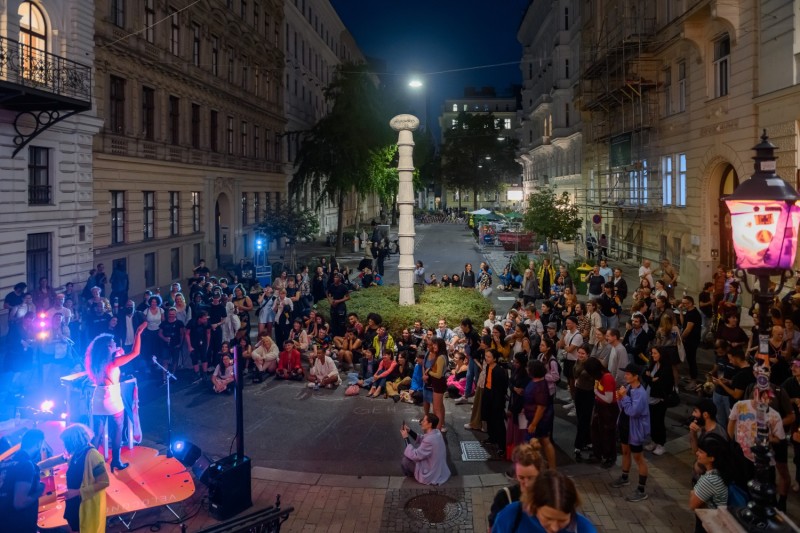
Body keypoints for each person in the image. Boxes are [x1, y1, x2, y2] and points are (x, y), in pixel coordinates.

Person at [85, 321, 146, 472]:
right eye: (113, 343)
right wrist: (138, 334)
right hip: (111, 397)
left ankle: (90, 465)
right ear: (107, 347)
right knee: (118, 429)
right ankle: (116, 460)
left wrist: (117, 352)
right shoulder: (113, 362)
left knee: (97, 434)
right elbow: (135, 353)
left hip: (98, 398)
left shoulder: (95, 362)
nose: (116, 345)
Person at [492, 470, 597, 533]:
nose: (554, 528)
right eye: (548, 518)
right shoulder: (511, 516)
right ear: (533, 505)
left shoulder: (584, 529)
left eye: (562, 520)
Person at [610, 363, 651, 502]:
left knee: (639, 459)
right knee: (625, 452)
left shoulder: (641, 393)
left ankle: (641, 490)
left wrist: (624, 398)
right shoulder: (628, 387)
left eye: (628, 374)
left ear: (636, 376)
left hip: (635, 430)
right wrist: (620, 398)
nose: (625, 376)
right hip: (624, 425)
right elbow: (622, 407)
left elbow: (633, 411)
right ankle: (624, 477)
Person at [60, 423, 109, 533]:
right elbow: (57, 459)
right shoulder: (76, 454)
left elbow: (104, 482)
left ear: (73, 441)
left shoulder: (93, 455)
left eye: (66, 442)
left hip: (85, 503)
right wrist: (37, 466)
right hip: (74, 502)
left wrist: (77, 492)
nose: (65, 445)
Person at [487, 441, 545, 531]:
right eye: (521, 477)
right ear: (515, 475)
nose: (526, 483)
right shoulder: (504, 497)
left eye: (531, 478)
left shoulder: (548, 496)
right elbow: (493, 527)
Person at [0, 428, 45, 533]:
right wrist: (40, 490)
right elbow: (20, 503)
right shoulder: (26, 465)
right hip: (19, 525)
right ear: (39, 444)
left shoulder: (4, 463)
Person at [690, 434, 734, 533]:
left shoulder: (710, 480)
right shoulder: (720, 473)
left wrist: (693, 492)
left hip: (709, 523)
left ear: (711, 458)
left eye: (701, 452)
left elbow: (692, 504)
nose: (697, 453)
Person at [400, 413, 450, 485]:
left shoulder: (429, 440)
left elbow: (415, 455)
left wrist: (405, 438)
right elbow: (422, 438)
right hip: (438, 468)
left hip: (431, 473)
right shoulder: (437, 432)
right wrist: (409, 431)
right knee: (410, 458)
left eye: (424, 421)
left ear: (430, 424)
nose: (421, 423)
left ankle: (413, 476)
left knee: (405, 461)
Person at [586, 357, 618, 468]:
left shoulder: (607, 377)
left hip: (608, 409)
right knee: (595, 430)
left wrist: (596, 392)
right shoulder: (599, 377)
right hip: (600, 406)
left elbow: (609, 399)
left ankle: (609, 457)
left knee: (607, 433)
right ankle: (598, 453)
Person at [523, 359, 556, 469]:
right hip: (535, 417)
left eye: (528, 367)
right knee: (544, 441)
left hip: (539, 419)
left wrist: (534, 424)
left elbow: (541, 407)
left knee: (537, 443)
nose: (527, 369)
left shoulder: (539, 386)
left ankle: (541, 468)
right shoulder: (536, 382)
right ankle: (548, 467)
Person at [643, 346, 675, 456]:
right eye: (652, 353)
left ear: (661, 354)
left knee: (659, 422)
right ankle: (654, 440)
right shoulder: (653, 364)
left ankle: (661, 444)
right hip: (650, 397)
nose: (652, 355)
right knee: (652, 421)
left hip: (659, 400)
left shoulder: (666, 369)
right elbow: (645, 375)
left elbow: (659, 385)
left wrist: (650, 379)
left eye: (655, 353)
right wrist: (651, 379)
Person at [482, 349, 509, 456]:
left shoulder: (499, 370)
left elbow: (502, 387)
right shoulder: (488, 367)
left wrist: (499, 400)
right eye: (486, 356)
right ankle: (492, 438)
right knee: (489, 418)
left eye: (489, 357)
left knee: (498, 421)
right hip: (488, 394)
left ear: (495, 358)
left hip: (497, 398)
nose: (486, 358)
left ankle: (502, 446)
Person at [423, 337, 448, 432]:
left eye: (435, 344)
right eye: (433, 344)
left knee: (437, 409)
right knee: (439, 407)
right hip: (438, 384)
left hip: (438, 384)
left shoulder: (441, 357)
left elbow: (438, 375)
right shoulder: (441, 356)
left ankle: (438, 429)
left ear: (440, 345)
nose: (433, 346)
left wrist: (429, 372)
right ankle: (439, 428)